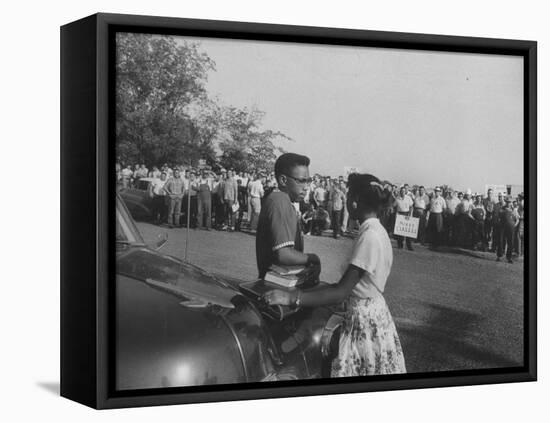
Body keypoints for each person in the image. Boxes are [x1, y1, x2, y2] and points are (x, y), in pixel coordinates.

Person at [262, 173, 406, 376]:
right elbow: (351, 285)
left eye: (348, 197)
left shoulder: (370, 236)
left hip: (364, 318)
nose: (346, 201)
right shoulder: (375, 230)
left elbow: (341, 292)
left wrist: (291, 297)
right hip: (369, 310)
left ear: (354, 202)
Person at [255, 153, 321, 280]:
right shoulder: (280, 200)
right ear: (283, 180)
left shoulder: (280, 199)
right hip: (276, 286)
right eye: (301, 181)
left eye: (308, 181)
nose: (306, 187)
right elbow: (283, 254)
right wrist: (313, 258)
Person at [496, 195, 519, 263]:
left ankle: (509, 257)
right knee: (501, 241)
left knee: (510, 242)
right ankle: (499, 256)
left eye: (510, 202)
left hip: (511, 228)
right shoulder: (502, 208)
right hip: (502, 227)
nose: (508, 203)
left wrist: (514, 225)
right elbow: (499, 217)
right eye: (507, 202)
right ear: (505, 202)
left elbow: (517, 219)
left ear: (511, 202)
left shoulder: (514, 209)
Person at [394, 186, 414, 250]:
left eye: (403, 191)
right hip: (400, 214)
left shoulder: (408, 198)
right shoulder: (397, 198)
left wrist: (410, 214)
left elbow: (411, 207)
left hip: (407, 214)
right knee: (399, 231)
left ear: (405, 192)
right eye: (401, 191)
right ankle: (400, 245)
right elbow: (394, 206)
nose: (402, 192)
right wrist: (396, 213)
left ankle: (409, 246)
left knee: (408, 231)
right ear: (400, 192)